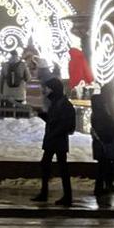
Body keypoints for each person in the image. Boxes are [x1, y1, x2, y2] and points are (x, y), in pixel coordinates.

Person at [34, 76, 76, 206]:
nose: (46, 91)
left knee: (60, 167)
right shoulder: (57, 103)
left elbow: (66, 125)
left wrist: (54, 133)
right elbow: (54, 120)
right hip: (54, 139)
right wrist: (41, 114)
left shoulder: (63, 104)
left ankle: (65, 196)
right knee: (49, 165)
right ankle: (46, 192)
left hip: (57, 140)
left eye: (48, 88)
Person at [90, 79, 114, 195]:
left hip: (110, 136)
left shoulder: (107, 103)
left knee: (108, 162)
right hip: (106, 137)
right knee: (105, 162)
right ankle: (103, 186)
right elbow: (107, 120)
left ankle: (108, 185)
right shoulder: (104, 103)